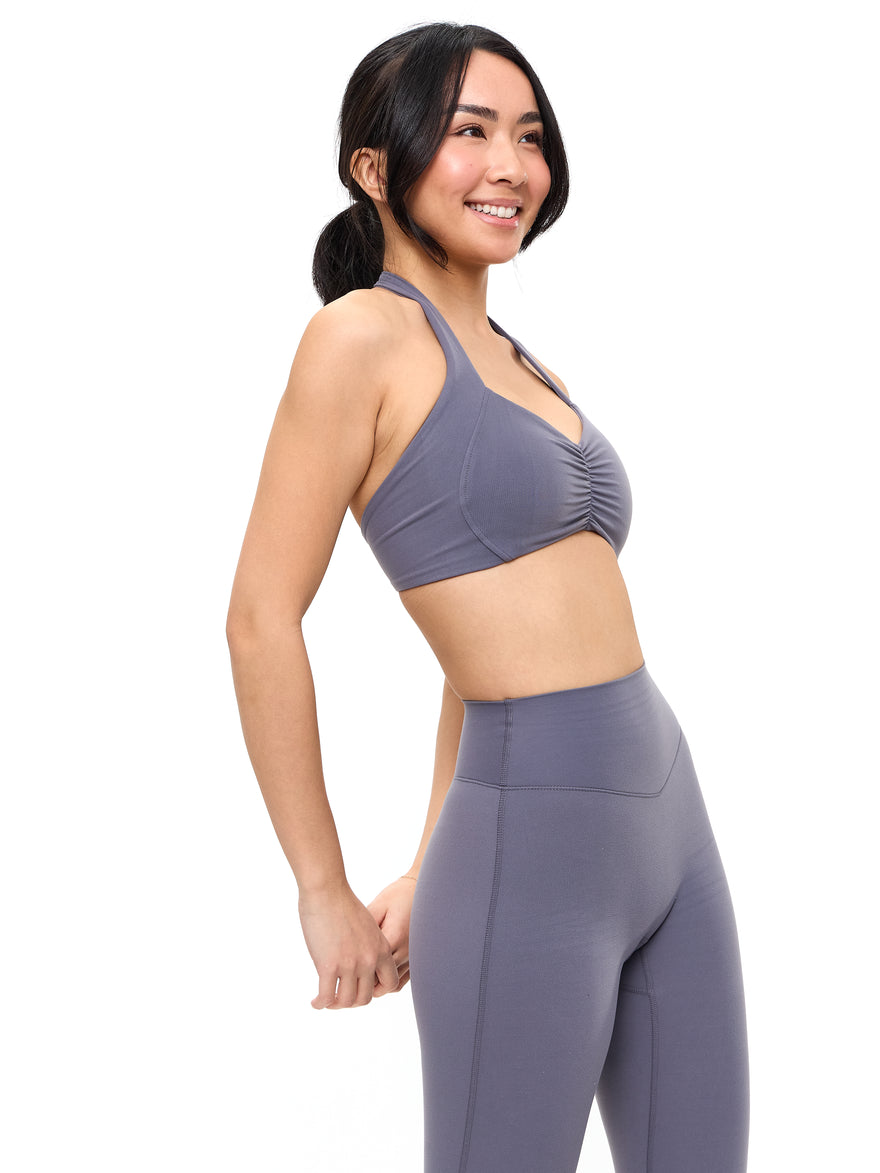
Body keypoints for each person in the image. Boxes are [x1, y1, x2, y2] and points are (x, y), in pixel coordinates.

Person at [226, 22, 749, 1173]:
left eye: (529, 135)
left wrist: (424, 857)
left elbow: (472, 654)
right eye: (470, 132)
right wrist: (321, 888)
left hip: (669, 823)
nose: (510, 165)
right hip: (530, 848)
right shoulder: (356, 339)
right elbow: (260, 618)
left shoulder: (522, 359)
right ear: (376, 167)